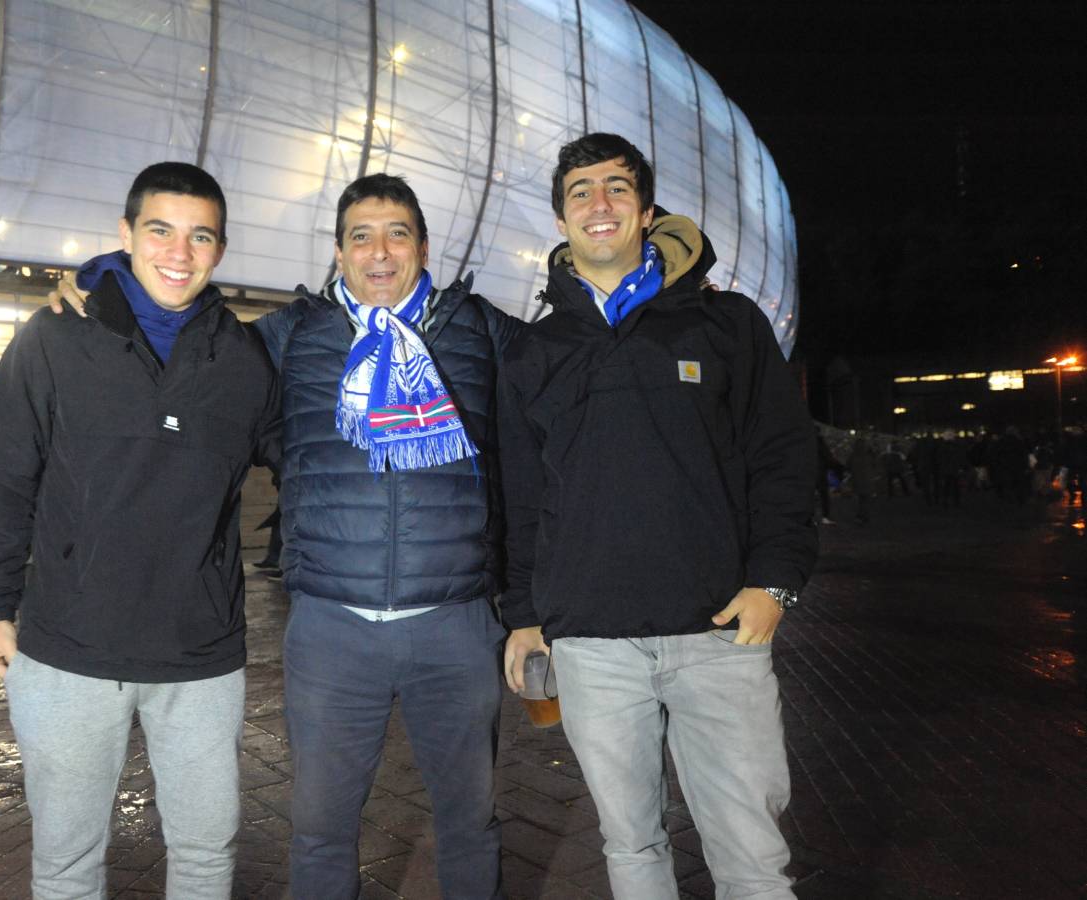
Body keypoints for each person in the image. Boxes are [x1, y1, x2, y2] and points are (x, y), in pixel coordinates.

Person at [51, 172, 519, 900]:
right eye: (360, 236)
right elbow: (180, 340)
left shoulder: (479, 331)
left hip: (454, 626)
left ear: (423, 247)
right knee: (320, 830)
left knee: (469, 822)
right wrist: (94, 293)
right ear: (337, 251)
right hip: (332, 629)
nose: (379, 252)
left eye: (397, 234)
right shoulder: (290, 335)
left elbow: (567, 386)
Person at [497, 133, 817, 900]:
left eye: (615, 188)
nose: (597, 203)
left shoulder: (725, 325)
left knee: (751, 855)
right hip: (593, 644)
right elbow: (518, 494)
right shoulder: (533, 350)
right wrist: (524, 613)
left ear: (644, 210)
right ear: (561, 219)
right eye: (579, 191)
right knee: (631, 845)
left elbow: (781, 457)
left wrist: (772, 583)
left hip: (716, 633)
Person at [0, 162, 277, 899]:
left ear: (220, 251)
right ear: (125, 234)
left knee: (205, 852)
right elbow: (4, 476)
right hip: (69, 648)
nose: (179, 251)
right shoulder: (54, 338)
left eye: (201, 236)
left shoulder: (243, 359)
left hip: (198, 655)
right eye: (160, 230)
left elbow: (310, 460)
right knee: (67, 863)